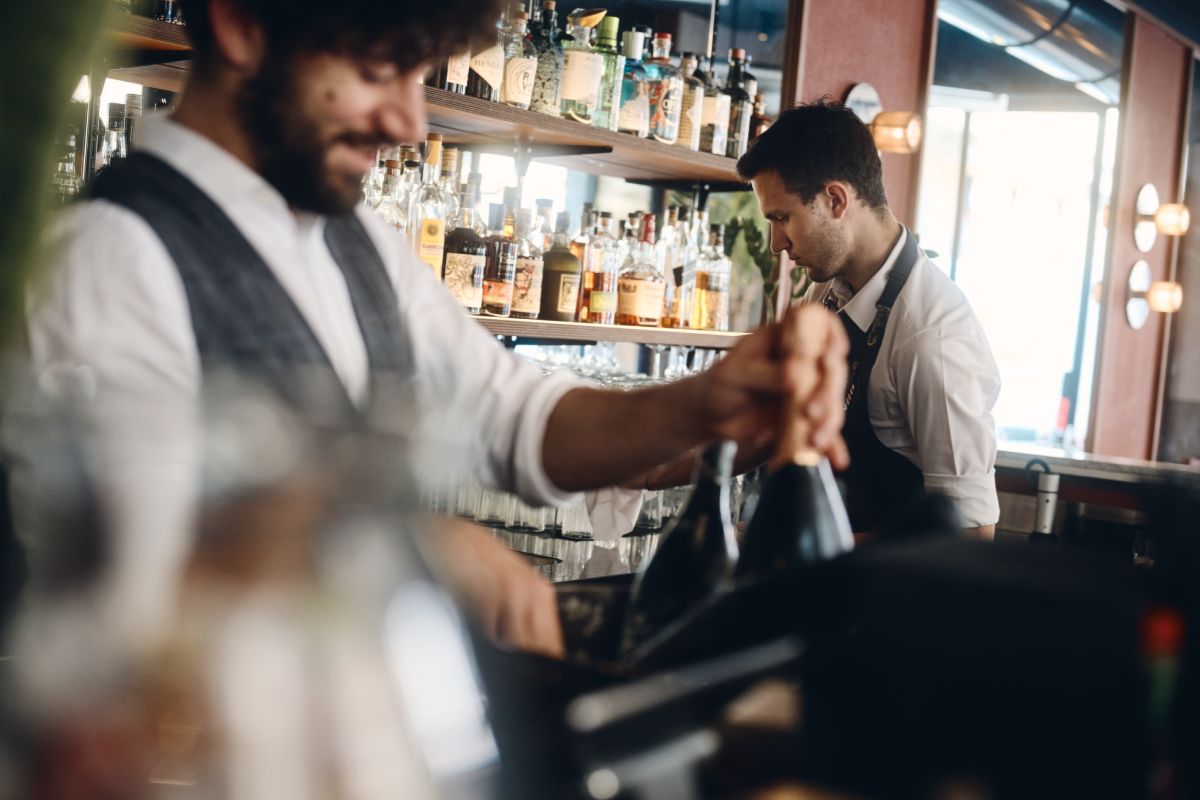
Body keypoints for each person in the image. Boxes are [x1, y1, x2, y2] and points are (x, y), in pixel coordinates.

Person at [8, 0, 849, 663]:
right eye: (381, 71)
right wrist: (412, 548)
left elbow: (518, 417)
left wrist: (712, 403)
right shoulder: (113, 252)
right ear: (243, 23)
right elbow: (133, 570)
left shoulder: (351, 235)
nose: (410, 121)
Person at [737, 99, 1000, 540]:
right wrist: (648, 475)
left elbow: (971, 535)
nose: (775, 244)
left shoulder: (931, 336)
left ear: (835, 199)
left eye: (782, 218)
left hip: (890, 602)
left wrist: (807, 546)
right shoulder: (828, 291)